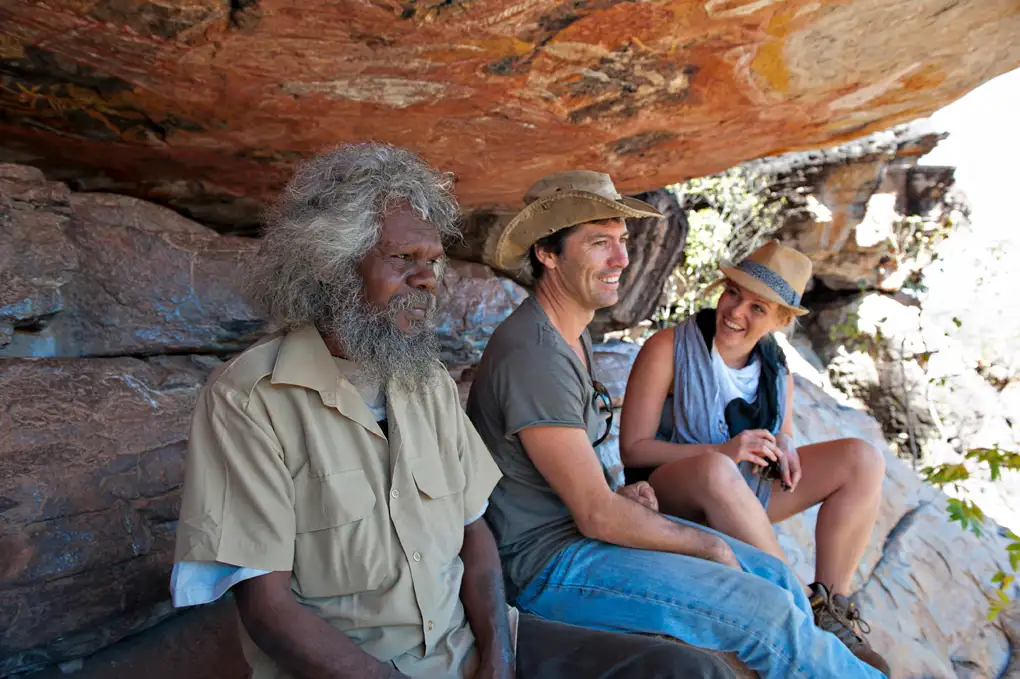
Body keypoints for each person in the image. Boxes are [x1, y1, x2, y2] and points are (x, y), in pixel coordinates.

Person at [170, 143, 736, 679]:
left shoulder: (427, 383)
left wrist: (497, 653)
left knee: (692, 671)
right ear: (333, 267)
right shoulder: (250, 400)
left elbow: (475, 533)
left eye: (434, 262)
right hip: (362, 669)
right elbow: (267, 610)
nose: (426, 279)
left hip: (469, 646)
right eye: (403, 259)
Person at [466, 170, 890, 679]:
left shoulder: (570, 337)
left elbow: (575, 482)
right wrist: (705, 544)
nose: (622, 259)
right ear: (547, 254)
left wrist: (624, 499)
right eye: (600, 243)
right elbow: (596, 513)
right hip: (547, 565)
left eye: (622, 241)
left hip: (580, 537)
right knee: (765, 613)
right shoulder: (533, 355)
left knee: (775, 577)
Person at [619, 239, 888, 671]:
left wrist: (785, 448)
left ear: (781, 320)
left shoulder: (777, 370)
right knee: (715, 468)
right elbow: (632, 449)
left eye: (758, 308)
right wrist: (722, 450)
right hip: (671, 491)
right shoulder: (668, 348)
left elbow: (783, 435)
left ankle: (831, 607)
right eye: (733, 294)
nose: (736, 312)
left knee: (863, 459)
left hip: (740, 495)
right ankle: (800, 603)